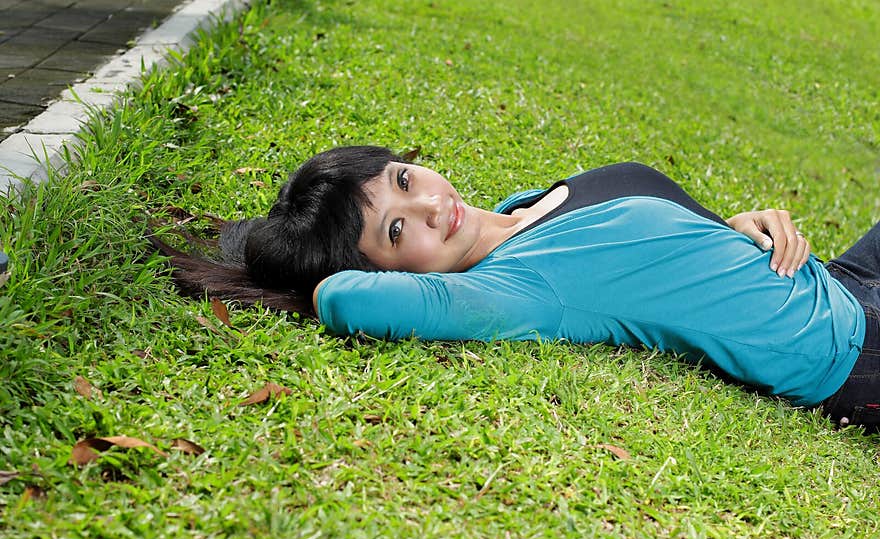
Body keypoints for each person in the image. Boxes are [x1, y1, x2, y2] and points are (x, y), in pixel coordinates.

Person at [149, 145, 880, 433]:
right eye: (401, 233)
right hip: (852, 351)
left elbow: (660, 261)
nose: (430, 206)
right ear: (392, 271)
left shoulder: (523, 207)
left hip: (840, 278)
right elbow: (346, 297)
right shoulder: (516, 290)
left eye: (404, 182)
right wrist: (293, 264)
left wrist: (734, 227)